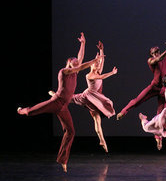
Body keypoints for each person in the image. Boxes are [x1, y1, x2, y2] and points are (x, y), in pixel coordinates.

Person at [17, 33, 103, 172]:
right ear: (69, 64)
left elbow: (80, 60)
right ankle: (21, 110)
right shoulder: (64, 71)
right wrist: (94, 61)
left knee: (70, 132)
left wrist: (83, 43)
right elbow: (79, 67)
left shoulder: (74, 71)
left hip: (63, 107)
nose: (77, 63)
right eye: (74, 63)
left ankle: (63, 160)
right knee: (31, 112)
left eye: (77, 62)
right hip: (56, 102)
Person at [69, 41, 117, 153]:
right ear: (91, 65)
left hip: (95, 100)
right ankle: (56, 95)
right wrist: (112, 73)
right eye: (96, 63)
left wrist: (101, 50)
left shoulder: (98, 71)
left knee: (97, 120)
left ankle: (102, 140)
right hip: (88, 98)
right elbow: (103, 76)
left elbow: (102, 61)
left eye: (98, 63)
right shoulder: (90, 75)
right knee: (70, 98)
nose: (98, 64)